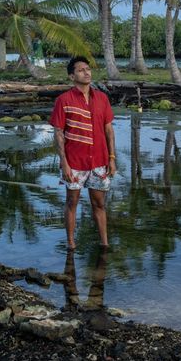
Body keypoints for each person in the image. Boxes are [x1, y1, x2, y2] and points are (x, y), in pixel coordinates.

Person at [49, 56, 116, 249]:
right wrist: (64, 162)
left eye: (87, 69)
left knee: (99, 204)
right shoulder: (64, 100)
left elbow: (109, 130)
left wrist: (112, 158)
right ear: (72, 76)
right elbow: (59, 133)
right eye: (81, 70)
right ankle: (71, 244)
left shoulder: (102, 98)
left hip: (99, 161)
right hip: (75, 161)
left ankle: (104, 243)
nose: (86, 73)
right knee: (72, 202)